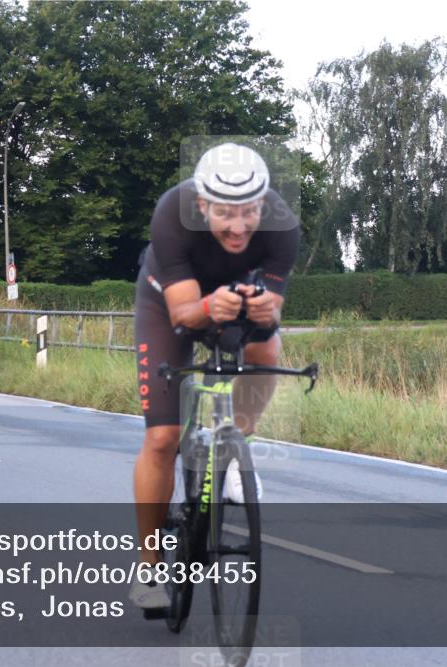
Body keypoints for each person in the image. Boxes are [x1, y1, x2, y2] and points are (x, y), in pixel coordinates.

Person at [129, 143, 300, 608]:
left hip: (232, 300)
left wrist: (266, 311)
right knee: (163, 438)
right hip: (168, 302)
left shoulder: (283, 228)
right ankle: (148, 566)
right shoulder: (172, 213)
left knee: (267, 343)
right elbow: (184, 315)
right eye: (225, 213)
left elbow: (272, 316)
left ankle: (234, 445)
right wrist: (208, 306)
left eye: (249, 212)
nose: (239, 226)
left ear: (263, 204)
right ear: (202, 205)